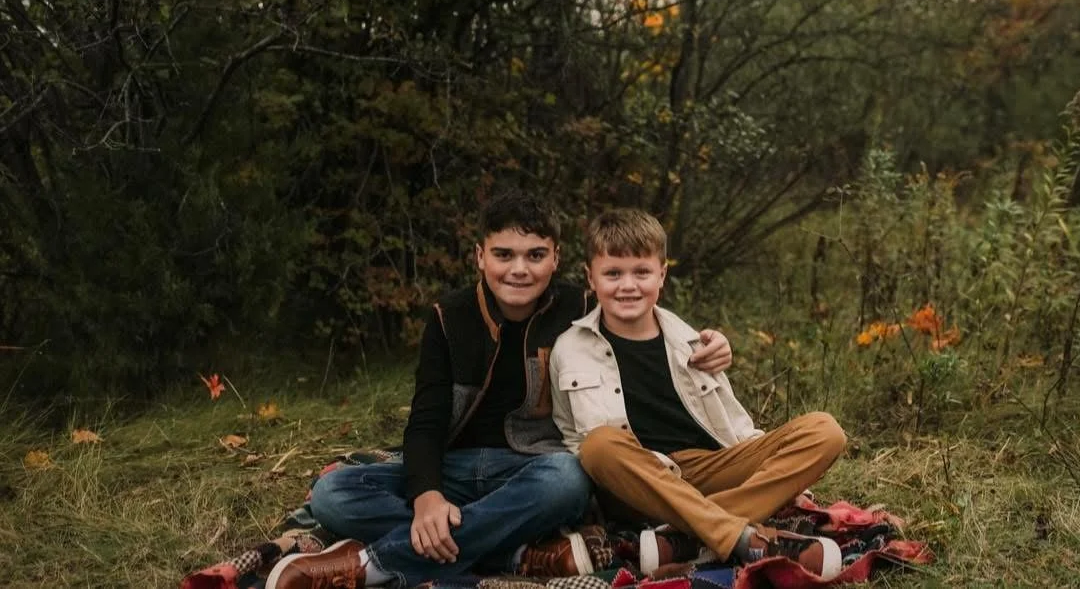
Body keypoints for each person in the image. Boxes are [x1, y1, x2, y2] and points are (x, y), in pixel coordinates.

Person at [266, 193, 734, 589]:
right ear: (479, 256)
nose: (519, 270)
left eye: (534, 255)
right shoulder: (450, 317)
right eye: (503, 254)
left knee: (568, 481)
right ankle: (516, 553)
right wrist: (427, 494)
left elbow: (648, 323)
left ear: (556, 257)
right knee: (332, 492)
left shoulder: (583, 307)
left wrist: (709, 344)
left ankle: (376, 564)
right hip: (457, 468)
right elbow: (426, 419)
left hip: (539, 468)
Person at [549, 208, 848, 579]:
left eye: (641, 272)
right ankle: (739, 533)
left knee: (825, 430)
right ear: (590, 279)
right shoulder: (569, 349)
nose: (628, 285)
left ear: (662, 274)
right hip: (640, 480)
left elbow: (734, 422)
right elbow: (569, 437)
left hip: (708, 467)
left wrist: (774, 465)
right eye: (613, 273)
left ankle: (690, 535)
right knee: (598, 445)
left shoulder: (689, 339)